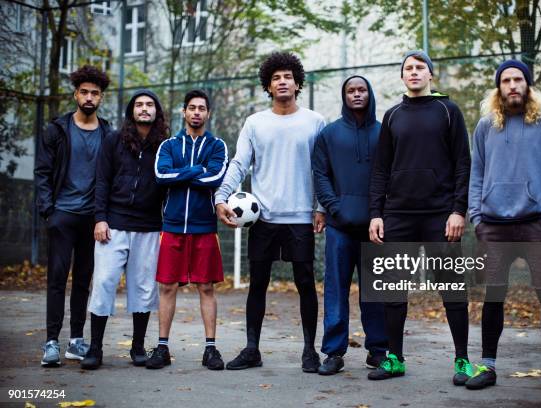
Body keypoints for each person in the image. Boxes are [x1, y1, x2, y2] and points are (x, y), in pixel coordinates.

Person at [465, 59, 541, 395]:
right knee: (493, 297)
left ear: (528, 85)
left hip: (535, 223)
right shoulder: (486, 126)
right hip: (493, 226)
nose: (512, 85)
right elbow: (477, 173)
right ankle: (488, 366)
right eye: (506, 80)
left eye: (518, 79)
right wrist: (477, 217)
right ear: (499, 88)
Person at [215, 52, 326, 373]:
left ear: (297, 82)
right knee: (257, 284)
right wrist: (221, 196)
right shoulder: (255, 123)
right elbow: (239, 164)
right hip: (262, 218)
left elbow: (323, 169)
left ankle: (309, 351)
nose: (282, 82)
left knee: (305, 283)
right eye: (276, 77)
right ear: (268, 85)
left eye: (287, 76)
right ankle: (252, 349)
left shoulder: (315, 122)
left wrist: (321, 208)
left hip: (301, 218)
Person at [368, 51, 472, 383]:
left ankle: (462, 360)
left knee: (452, 289)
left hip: (440, 216)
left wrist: (458, 210)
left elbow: (462, 164)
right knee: (393, 291)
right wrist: (376, 214)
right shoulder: (392, 115)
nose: (414, 73)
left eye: (419, 68)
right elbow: (381, 169)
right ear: (402, 77)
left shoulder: (448, 110)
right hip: (398, 215)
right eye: (408, 69)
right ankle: (395, 358)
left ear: (431, 75)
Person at [80, 90, 168, 369]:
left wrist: (167, 225)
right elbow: (102, 181)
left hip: (149, 227)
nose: (144, 109)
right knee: (104, 283)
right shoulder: (113, 140)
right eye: (139, 105)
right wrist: (100, 218)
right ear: (132, 111)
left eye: (149, 105)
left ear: (157, 111)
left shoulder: (166, 145)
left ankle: (138, 346)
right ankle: (95, 348)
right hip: (113, 224)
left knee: (143, 287)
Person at [35, 65, 112, 367]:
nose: (89, 97)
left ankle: (76, 341)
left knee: (83, 281)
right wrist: (48, 211)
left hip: (92, 220)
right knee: (56, 279)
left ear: (101, 97)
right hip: (62, 215)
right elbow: (42, 172)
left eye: (95, 93)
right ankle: (51, 342)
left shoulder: (108, 133)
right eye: (84, 92)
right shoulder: (57, 130)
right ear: (76, 94)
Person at [146, 89, 228, 370]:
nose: (196, 112)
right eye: (191, 108)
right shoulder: (168, 145)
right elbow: (161, 176)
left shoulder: (217, 145)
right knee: (167, 286)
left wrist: (182, 174)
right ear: (183, 111)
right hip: (172, 226)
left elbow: (216, 176)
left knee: (206, 287)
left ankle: (210, 349)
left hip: (204, 226)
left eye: (201, 108)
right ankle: (162, 347)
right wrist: (196, 170)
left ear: (208, 113)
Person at [312, 75, 387, 375]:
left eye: (361, 90)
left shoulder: (385, 133)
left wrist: (380, 213)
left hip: (375, 228)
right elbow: (320, 174)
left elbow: (391, 177)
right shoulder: (329, 134)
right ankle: (333, 353)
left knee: (376, 291)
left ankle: (378, 351)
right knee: (335, 290)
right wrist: (334, 207)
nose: (356, 95)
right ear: (344, 96)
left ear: (370, 94)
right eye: (351, 91)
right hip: (339, 225)